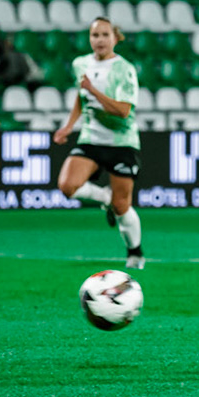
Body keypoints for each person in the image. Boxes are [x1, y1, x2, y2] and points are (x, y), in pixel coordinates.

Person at [52, 16, 145, 269]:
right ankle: (104, 196)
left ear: (115, 38)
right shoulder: (80, 63)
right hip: (92, 138)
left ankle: (135, 254)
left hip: (122, 142)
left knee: (121, 204)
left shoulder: (124, 69)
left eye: (105, 35)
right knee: (67, 186)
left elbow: (124, 111)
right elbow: (81, 97)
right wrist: (69, 126)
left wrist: (94, 91)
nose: (100, 40)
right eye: (95, 35)